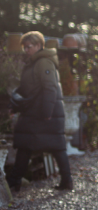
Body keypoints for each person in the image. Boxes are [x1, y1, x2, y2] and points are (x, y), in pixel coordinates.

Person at [7, 31, 73, 192]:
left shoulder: (44, 63)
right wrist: (14, 106)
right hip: (36, 111)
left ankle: (15, 181)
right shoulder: (34, 63)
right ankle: (15, 181)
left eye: (28, 47)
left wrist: (47, 112)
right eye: (24, 47)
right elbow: (26, 88)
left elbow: (50, 88)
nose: (26, 50)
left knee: (55, 147)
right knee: (27, 145)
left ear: (38, 45)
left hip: (44, 112)